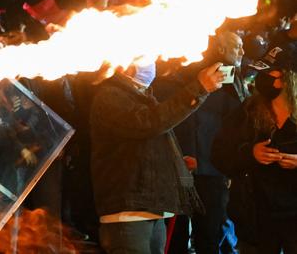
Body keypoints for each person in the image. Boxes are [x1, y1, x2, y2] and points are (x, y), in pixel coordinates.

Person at [90, 60, 225, 254]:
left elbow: (148, 139)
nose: (151, 64)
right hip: (127, 215)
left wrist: (173, 162)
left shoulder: (142, 96)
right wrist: (198, 89)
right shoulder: (110, 96)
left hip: (150, 210)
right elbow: (150, 123)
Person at [212, 45, 297, 254]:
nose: (267, 76)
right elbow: (220, 154)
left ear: (289, 79)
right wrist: (251, 153)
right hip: (256, 214)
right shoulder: (248, 112)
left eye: (275, 72)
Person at [172, 31, 248, 253]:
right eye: (237, 47)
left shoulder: (230, 76)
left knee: (205, 233)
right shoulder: (219, 76)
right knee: (195, 233)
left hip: (206, 167)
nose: (242, 52)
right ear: (222, 50)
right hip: (203, 167)